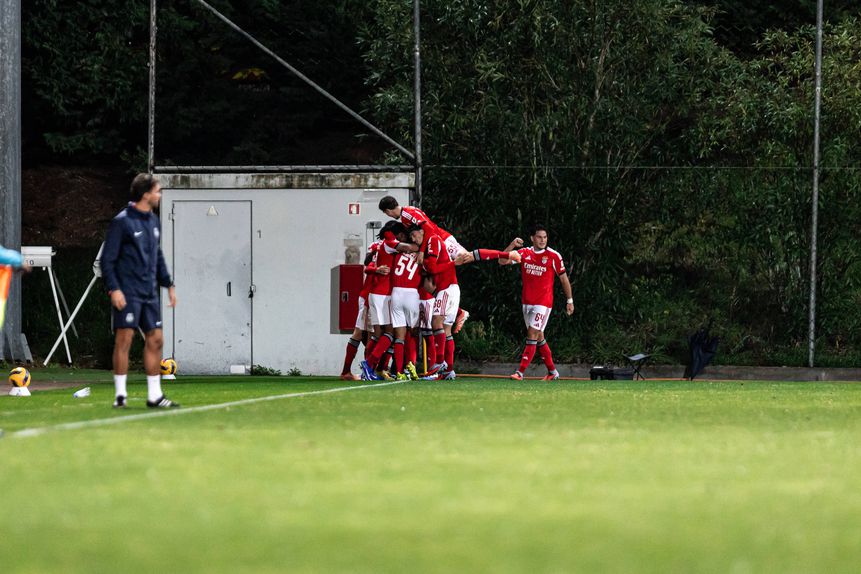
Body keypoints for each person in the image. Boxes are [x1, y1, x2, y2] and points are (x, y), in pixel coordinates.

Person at [101, 173, 179, 408]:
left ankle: (155, 395)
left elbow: (157, 256)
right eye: (157, 191)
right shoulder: (122, 222)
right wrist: (114, 289)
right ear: (146, 194)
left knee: (156, 339)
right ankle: (120, 395)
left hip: (149, 293)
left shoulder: (154, 221)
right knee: (125, 339)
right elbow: (108, 260)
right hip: (128, 291)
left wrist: (168, 284)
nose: (160, 195)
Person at [378, 196, 470, 333]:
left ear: (388, 211)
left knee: (468, 257)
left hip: (441, 240)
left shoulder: (407, 214)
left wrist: (421, 251)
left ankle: (507, 255)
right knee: (428, 284)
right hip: (438, 241)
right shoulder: (408, 212)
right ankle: (458, 311)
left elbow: (429, 230)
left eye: (386, 213)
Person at [499, 224, 574, 381]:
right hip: (527, 302)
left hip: (543, 303)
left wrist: (570, 300)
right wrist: (512, 245)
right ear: (532, 238)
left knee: (532, 333)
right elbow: (502, 261)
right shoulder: (524, 253)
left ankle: (519, 372)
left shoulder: (553, 256)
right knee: (539, 337)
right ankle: (553, 372)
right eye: (539, 237)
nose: (542, 240)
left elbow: (563, 278)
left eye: (545, 237)